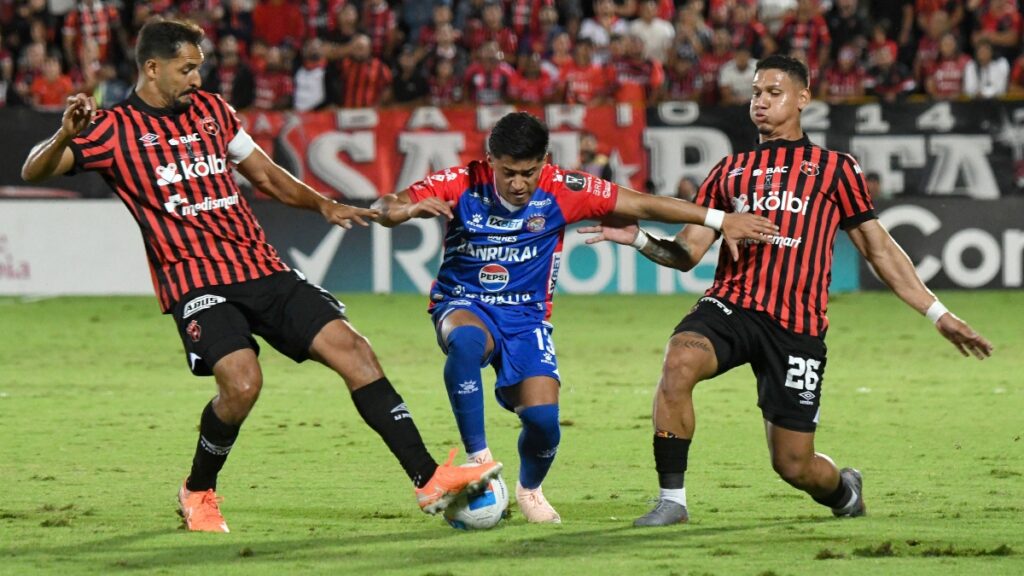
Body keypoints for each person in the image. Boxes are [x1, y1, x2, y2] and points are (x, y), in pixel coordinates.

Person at [20, 20, 501, 534]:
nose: (197, 78)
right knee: (243, 383)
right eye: (187, 68)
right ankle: (198, 491)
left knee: (354, 351)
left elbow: (268, 175)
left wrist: (324, 204)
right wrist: (64, 135)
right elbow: (34, 170)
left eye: (199, 67)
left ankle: (429, 479)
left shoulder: (212, 111)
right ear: (153, 68)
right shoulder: (110, 130)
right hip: (195, 280)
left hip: (261, 266)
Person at [579, 54, 993, 527]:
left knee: (793, 464)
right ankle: (672, 501)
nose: (761, 102)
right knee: (680, 359)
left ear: (802, 99)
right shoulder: (728, 170)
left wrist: (939, 314)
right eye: (756, 92)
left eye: (774, 93)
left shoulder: (835, 169)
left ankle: (844, 492)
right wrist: (637, 237)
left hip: (796, 326)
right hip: (732, 305)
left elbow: (879, 250)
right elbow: (687, 254)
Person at [371, 112, 778, 523]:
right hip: (462, 302)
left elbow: (644, 202)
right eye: (508, 172)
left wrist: (719, 218)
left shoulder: (565, 188)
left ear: (544, 161)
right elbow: (386, 204)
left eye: (528, 173)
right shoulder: (459, 182)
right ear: (490, 160)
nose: (518, 184)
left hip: (526, 319)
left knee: (545, 421)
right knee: (466, 342)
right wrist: (400, 212)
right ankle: (480, 461)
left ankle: (529, 490)